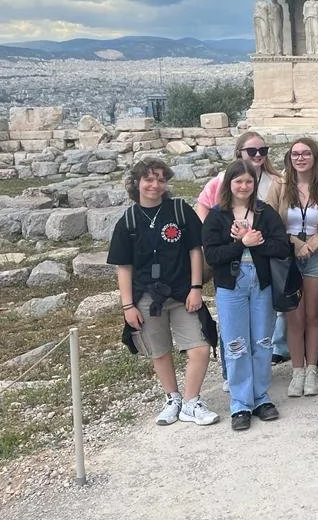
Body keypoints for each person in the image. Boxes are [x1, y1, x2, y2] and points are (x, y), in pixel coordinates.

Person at [108, 158, 220, 427]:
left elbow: (195, 249)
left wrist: (196, 288)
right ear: (137, 183)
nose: (154, 184)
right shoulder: (128, 220)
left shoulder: (179, 210)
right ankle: (173, 398)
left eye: (160, 179)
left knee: (200, 347)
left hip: (182, 292)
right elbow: (123, 266)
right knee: (159, 351)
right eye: (148, 179)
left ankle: (191, 401)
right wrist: (127, 306)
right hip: (146, 297)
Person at [202, 160, 291, 431]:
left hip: (260, 283)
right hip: (232, 285)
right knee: (236, 342)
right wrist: (240, 243)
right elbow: (212, 254)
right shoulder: (217, 216)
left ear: (255, 184)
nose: (244, 186)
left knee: (263, 341)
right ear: (229, 183)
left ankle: (261, 396)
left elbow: (281, 246)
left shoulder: (265, 213)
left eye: (248, 182)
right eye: (238, 181)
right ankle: (241, 402)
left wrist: (256, 240)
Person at [265, 138, 318, 396]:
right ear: (289, 158)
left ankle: (312, 370)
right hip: (288, 254)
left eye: (306, 153)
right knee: (293, 316)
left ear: (314, 158)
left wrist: (312, 245)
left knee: (312, 315)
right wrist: (296, 243)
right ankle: (297, 371)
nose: (300, 158)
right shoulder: (280, 186)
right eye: (295, 154)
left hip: (316, 254)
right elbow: (270, 220)